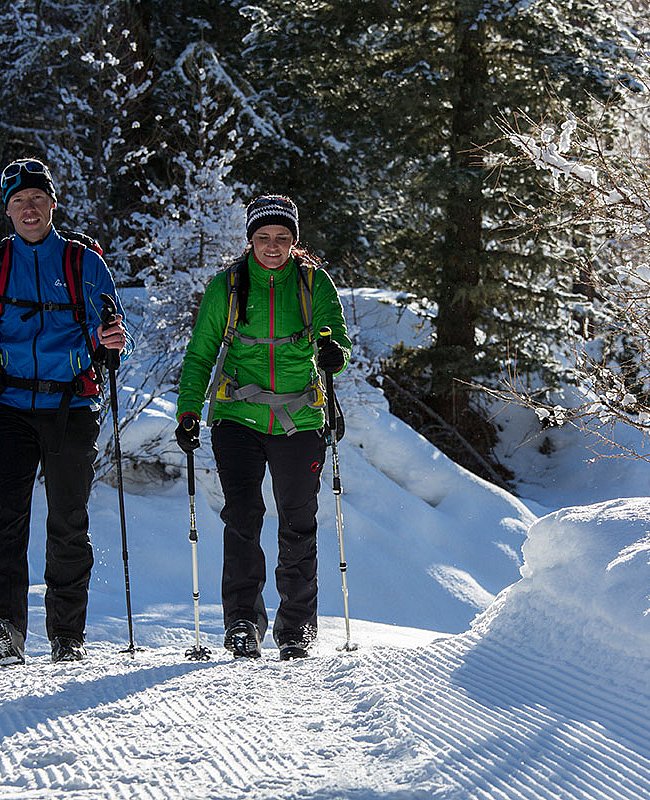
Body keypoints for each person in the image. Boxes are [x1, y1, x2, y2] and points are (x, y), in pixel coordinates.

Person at [175, 194, 351, 661]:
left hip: (301, 420)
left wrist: (335, 353)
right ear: (250, 239)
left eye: (282, 237)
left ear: (294, 240)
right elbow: (201, 353)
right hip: (237, 418)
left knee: (297, 521)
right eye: (263, 237)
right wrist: (188, 411)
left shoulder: (314, 284)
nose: (273, 246)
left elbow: (335, 333)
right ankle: (241, 624)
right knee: (243, 517)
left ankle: (296, 627)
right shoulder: (228, 286)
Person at [0, 158, 132, 665]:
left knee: (69, 520)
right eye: (18, 202)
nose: (29, 210)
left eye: (37, 200)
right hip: (9, 406)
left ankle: (67, 635)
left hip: (70, 404)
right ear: (8, 212)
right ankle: (6, 632)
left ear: (52, 205)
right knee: (5, 520)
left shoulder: (83, 263)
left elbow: (119, 329)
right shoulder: (1, 262)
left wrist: (112, 340)